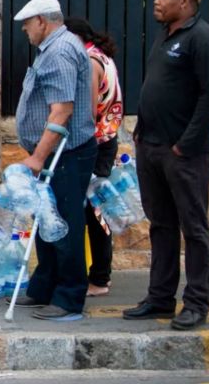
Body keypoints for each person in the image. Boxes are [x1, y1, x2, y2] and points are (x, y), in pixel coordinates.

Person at [123, 0, 209, 331]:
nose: (156, 2)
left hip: (184, 154)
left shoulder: (202, 39)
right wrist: (142, 134)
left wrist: (185, 145)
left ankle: (196, 302)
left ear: (186, 1)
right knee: (161, 225)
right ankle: (160, 297)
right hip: (151, 147)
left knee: (193, 228)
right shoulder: (166, 38)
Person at [11, 0, 98, 321]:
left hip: (67, 154)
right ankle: (43, 288)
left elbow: (61, 111)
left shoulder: (60, 51)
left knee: (63, 224)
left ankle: (69, 297)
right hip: (58, 154)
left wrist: (37, 157)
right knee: (46, 221)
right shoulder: (56, 48)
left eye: (27, 24)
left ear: (42, 22)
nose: (24, 30)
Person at [64, 17, 124, 297]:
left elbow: (86, 111)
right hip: (107, 140)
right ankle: (100, 275)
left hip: (94, 144)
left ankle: (99, 279)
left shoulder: (89, 62)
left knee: (93, 213)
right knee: (96, 210)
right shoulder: (103, 57)